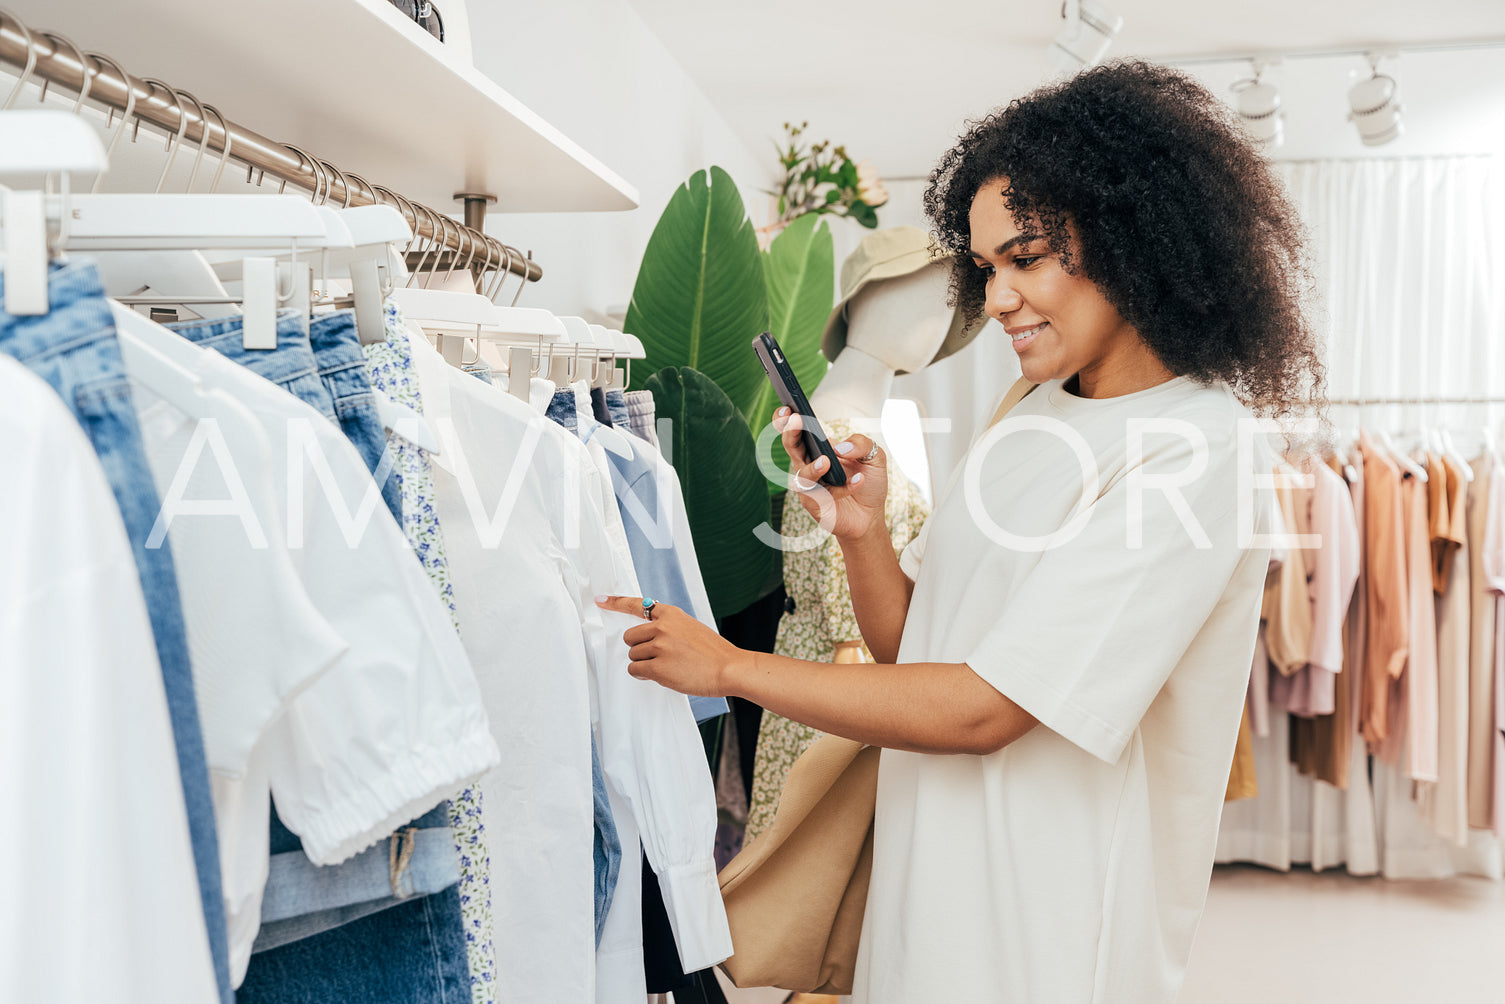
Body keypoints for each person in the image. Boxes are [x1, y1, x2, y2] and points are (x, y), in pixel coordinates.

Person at [598, 60, 1324, 1003]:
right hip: (925, 888)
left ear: (1134, 241)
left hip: (1047, 930)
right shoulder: (1030, 405)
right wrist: (861, 534)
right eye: (986, 269)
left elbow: (989, 710)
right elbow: (920, 653)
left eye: (1026, 259)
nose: (999, 301)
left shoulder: (1199, 449)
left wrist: (727, 667)